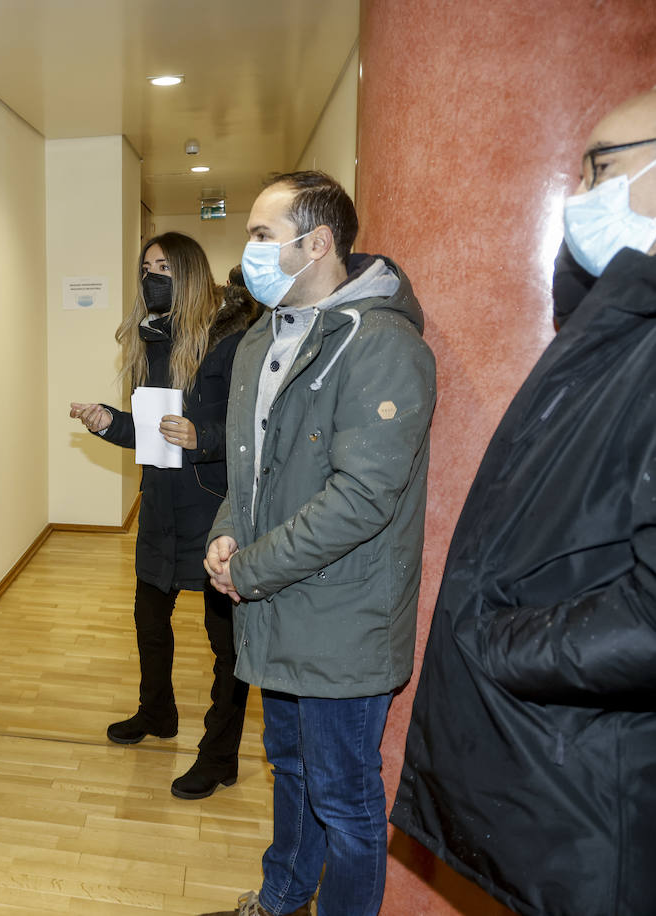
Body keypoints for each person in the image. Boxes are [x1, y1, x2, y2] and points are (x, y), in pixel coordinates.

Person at [391, 89, 656, 916]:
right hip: (565, 778)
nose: (582, 195)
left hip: (595, 785)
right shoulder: (615, 328)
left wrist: (491, 642)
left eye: (602, 169)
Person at [201, 171, 436, 916]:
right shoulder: (255, 345)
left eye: (262, 235)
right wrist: (226, 533)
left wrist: (253, 569)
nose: (248, 253)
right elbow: (250, 467)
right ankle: (281, 898)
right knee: (290, 767)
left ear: (318, 242)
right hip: (273, 599)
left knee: (344, 797)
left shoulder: (383, 346)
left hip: (342, 614)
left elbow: (364, 497)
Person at [69, 238, 258, 800]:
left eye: (166, 268)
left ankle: (220, 753)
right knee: (149, 620)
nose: (154, 277)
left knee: (226, 644)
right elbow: (154, 433)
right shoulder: (150, 340)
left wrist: (204, 439)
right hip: (160, 504)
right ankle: (157, 712)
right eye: (147, 268)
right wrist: (110, 423)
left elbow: (254, 431)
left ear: (193, 275)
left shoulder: (234, 341)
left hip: (213, 506)